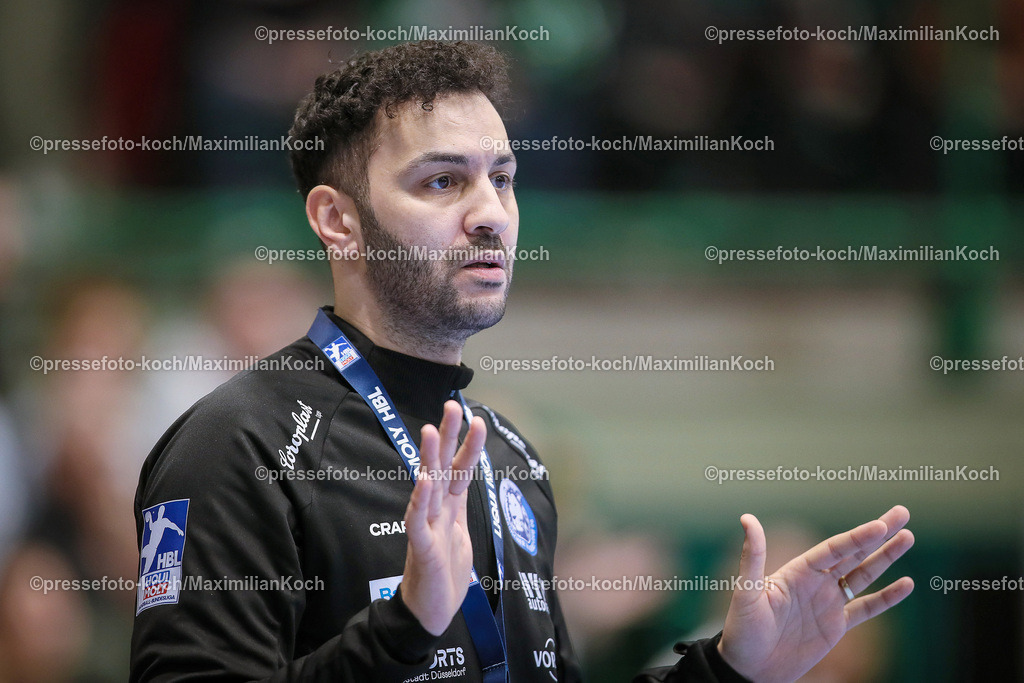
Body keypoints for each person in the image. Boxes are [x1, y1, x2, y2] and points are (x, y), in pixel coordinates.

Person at [130, 40, 914, 682]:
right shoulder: (240, 445)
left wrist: (729, 667)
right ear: (338, 220)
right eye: (443, 181)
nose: (489, 215)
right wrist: (401, 628)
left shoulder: (508, 458)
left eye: (502, 179)